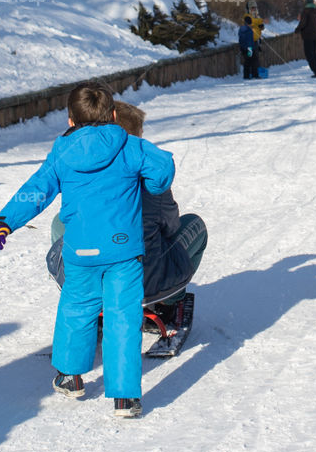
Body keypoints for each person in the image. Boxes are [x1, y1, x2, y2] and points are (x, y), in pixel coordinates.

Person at [0, 82, 175, 419]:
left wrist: (7, 221)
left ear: (71, 120)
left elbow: (37, 188)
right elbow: (162, 170)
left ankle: (71, 378)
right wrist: (152, 183)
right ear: (114, 115)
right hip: (123, 253)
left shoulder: (62, 152)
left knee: (76, 310)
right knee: (122, 318)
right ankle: (125, 399)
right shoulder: (130, 146)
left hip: (80, 253)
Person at [46, 101, 208, 324]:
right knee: (194, 225)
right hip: (144, 284)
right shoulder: (150, 177)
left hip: (88, 277)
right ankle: (168, 302)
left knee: (60, 224)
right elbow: (171, 228)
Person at [296, 0, 316, 76]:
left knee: (309, 54)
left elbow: (303, 23)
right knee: (313, 52)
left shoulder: (306, 11)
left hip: (307, 35)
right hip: (315, 35)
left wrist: (297, 29)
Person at [238, 15, 257, 79]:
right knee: (253, 61)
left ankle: (246, 76)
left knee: (247, 62)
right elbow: (249, 40)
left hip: (243, 48)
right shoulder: (248, 31)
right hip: (249, 48)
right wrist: (250, 49)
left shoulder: (241, 29)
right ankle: (254, 75)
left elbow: (241, 39)